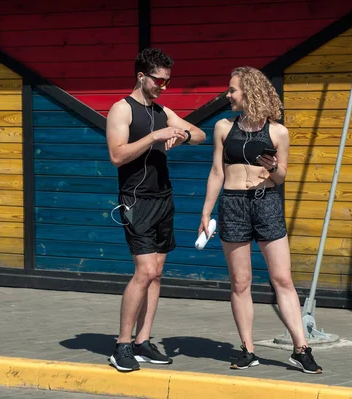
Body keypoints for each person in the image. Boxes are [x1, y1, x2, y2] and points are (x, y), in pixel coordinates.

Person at [198, 67, 322, 374]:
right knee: (241, 282)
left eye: (232, 90)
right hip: (233, 204)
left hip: (265, 202)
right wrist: (205, 211)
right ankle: (248, 350)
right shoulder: (223, 127)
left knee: (283, 279)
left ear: (250, 92)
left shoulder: (278, 131)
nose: (228, 95)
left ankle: (301, 349)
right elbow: (217, 171)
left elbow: (281, 177)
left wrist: (274, 166)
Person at [105, 48, 206, 372]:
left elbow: (201, 135)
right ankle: (121, 344)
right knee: (145, 271)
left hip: (164, 197)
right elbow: (117, 156)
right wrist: (153, 137)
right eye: (159, 81)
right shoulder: (122, 110)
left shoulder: (163, 110)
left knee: (158, 274)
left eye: (167, 81)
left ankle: (142, 341)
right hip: (136, 199)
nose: (163, 86)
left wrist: (183, 133)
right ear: (141, 76)